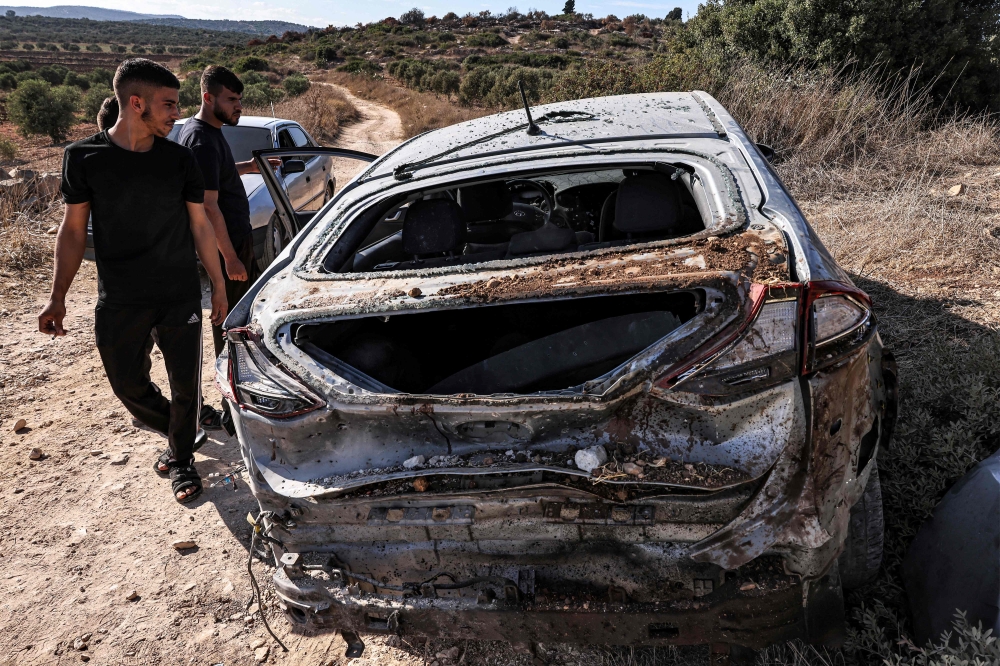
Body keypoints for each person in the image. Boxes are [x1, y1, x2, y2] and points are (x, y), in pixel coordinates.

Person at [37, 58, 228, 504]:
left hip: (179, 292)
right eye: (168, 104)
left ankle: (181, 459)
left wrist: (217, 284)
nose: (176, 114)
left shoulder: (180, 160)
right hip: (120, 296)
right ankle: (185, 426)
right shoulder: (84, 158)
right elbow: (71, 231)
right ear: (136, 103)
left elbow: (200, 227)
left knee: (185, 386)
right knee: (127, 384)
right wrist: (56, 296)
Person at [177, 65, 275, 431]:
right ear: (208, 97)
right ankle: (232, 407)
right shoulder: (201, 138)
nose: (238, 107)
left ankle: (232, 397)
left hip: (234, 242)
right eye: (231, 100)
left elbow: (212, 175)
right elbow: (207, 205)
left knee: (233, 323)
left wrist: (247, 167)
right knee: (231, 327)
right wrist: (231, 257)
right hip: (226, 247)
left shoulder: (205, 132)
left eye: (239, 100)